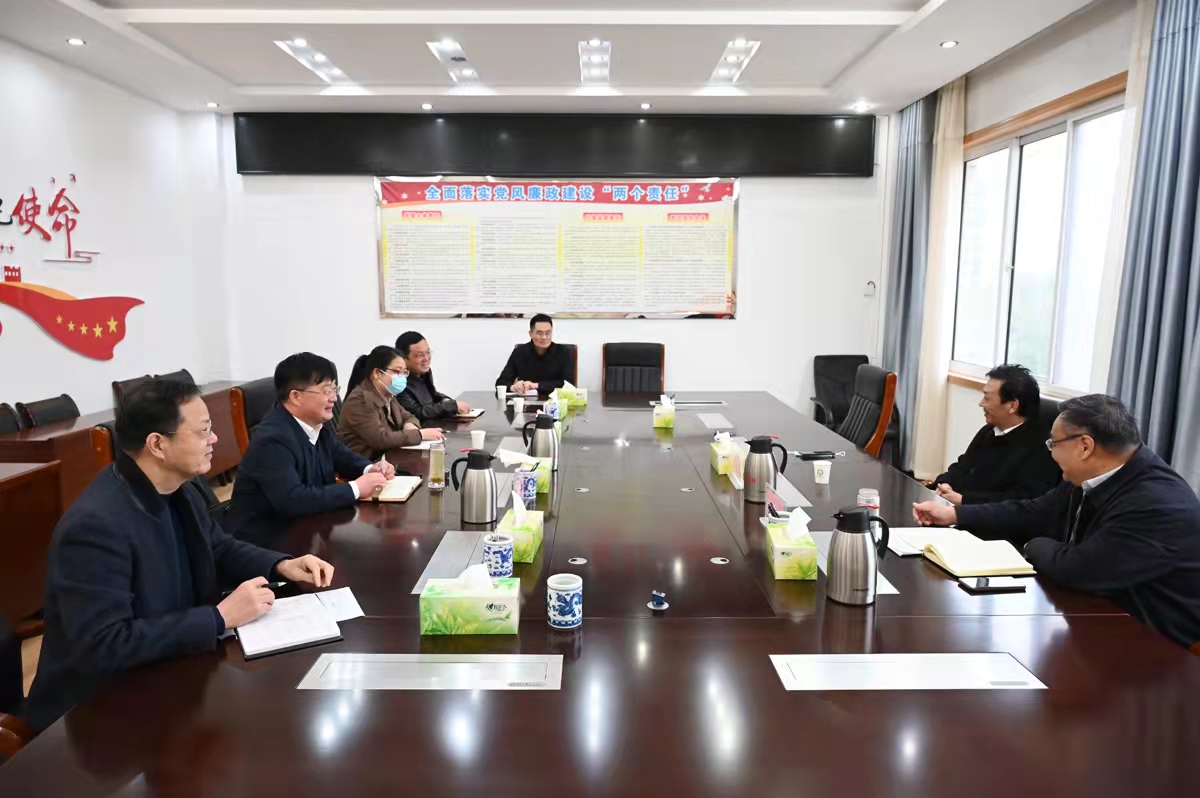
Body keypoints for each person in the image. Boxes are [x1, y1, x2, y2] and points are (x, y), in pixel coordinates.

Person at [23, 380, 336, 731]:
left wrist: (281, 564)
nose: (214, 439)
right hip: (95, 714)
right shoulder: (95, 526)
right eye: (203, 431)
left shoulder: (178, 489)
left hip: (164, 673)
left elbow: (217, 546)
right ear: (157, 444)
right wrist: (218, 618)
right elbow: (104, 643)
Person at [913, 394, 1200, 649]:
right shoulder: (1092, 474)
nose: (1050, 452)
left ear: (1084, 446)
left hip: (1158, 646)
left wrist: (1032, 544)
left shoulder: (1156, 503)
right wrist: (956, 514)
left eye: (1053, 443)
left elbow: (1079, 569)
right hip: (1099, 617)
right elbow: (1034, 511)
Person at [225, 353, 395, 538]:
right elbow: (292, 499)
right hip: (265, 538)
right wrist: (355, 488)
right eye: (326, 391)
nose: (333, 398)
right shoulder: (271, 440)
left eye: (334, 389)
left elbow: (342, 456)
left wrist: (370, 468)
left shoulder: (316, 424)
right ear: (295, 396)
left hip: (309, 527)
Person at [932, 364, 1060, 505]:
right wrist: (945, 483)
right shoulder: (989, 431)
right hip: (957, 507)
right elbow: (962, 466)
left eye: (987, 398)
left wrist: (964, 500)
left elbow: (1021, 500)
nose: (981, 404)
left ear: (1012, 406)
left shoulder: (1041, 447)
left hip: (985, 515)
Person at [338, 344, 445, 459]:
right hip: (364, 465)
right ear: (377, 373)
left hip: (387, 461)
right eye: (397, 372)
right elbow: (380, 439)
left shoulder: (388, 394)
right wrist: (420, 434)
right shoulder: (360, 400)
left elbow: (409, 416)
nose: (402, 377)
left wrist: (410, 425)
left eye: (404, 372)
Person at [395, 331, 471, 421]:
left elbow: (432, 395)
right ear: (403, 358)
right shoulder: (397, 382)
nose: (426, 358)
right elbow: (417, 413)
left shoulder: (425, 373)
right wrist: (450, 406)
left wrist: (445, 400)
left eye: (428, 352)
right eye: (420, 355)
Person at [495, 313, 573, 394]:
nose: (544, 337)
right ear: (531, 334)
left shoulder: (563, 352)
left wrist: (536, 385)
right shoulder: (520, 351)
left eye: (548, 333)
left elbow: (569, 384)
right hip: (526, 400)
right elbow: (501, 382)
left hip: (556, 400)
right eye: (539, 333)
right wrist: (513, 387)